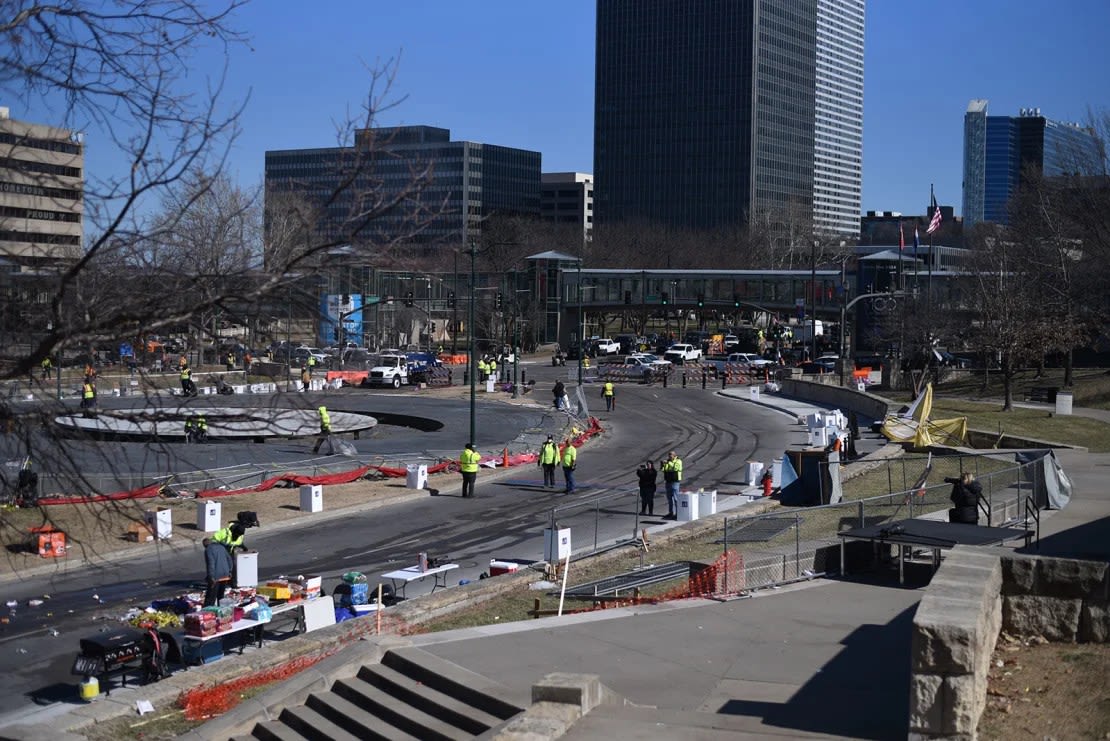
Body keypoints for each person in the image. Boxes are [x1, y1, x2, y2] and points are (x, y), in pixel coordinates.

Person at [203, 537, 232, 607]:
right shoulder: (221, 547)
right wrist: (230, 571)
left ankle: (208, 612)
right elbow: (229, 559)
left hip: (216, 576)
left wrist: (211, 576)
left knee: (211, 596)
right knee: (221, 596)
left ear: (205, 545)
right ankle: (222, 612)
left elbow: (211, 563)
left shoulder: (208, 550)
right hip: (225, 575)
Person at [661, 450, 683, 519]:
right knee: (669, 498)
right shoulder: (669, 461)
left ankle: (677, 514)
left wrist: (668, 462)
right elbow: (664, 470)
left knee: (676, 498)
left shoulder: (678, 461)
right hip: (668, 481)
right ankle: (671, 512)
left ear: (674, 455)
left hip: (675, 481)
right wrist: (663, 465)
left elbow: (675, 468)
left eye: (671, 455)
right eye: (669, 455)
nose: (669, 457)